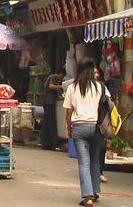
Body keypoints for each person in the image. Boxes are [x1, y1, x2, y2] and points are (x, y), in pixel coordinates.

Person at [63, 58, 108, 207]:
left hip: (79, 128)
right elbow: (108, 104)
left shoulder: (72, 87)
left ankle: (88, 197)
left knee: (84, 163)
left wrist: (69, 128)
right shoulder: (100, 87)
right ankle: (95, 192)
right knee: (95, 161)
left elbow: (68, 112)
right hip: (96, 127)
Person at [41, 68, 65, 150]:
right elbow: (51, 86)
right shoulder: (53, 77)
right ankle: (53, 143)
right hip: (49, 103)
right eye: (62, 76)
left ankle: (46, 143)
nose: (62, 78)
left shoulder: (50, 77)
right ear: (60, 74)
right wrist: (62, 86)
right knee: (51, 123)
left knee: (47, 123)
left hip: (47, 102)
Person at [94, 65, 108, 183]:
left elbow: (108, 101)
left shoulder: (102, 87)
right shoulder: (81, 86)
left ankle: (99, 172)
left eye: (97, 73)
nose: (96, 75)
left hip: (100, 121)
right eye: (94, 72)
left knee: (101, 147)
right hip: (87, 122)